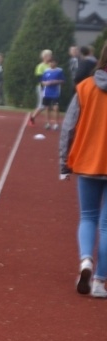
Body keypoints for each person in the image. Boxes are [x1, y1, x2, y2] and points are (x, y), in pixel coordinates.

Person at [59, 43, 107, 298]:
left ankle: (86, 259)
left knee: (88, 217)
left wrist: (64, 164)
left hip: (87, 162)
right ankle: (99, 281)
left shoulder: (85, 87)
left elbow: (68, 127)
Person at [29, 57, 64, 130]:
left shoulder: (59, 71)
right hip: (47, 92)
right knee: (46, 107)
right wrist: (46, 83)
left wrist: (55, 82)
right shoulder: (46, 71)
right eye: (50, 62)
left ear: (56, 63)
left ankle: (56, 124)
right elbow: (42, 81)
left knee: (56, 107)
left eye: (53, 62)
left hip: (55, 92)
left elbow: (62, 80)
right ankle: (47, 123)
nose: (51, 64)